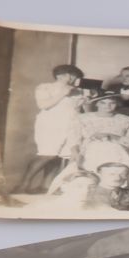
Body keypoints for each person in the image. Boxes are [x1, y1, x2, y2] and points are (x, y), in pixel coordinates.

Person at [21, 64, 86, 194]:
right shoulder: (45, 87)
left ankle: (46, 186)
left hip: (72, 125)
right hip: (51, 124)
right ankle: (23, 185)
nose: (74, 79)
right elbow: (43, 105)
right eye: (72, 75)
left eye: (76, 77)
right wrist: (63, 93)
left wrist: (87, 101)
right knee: (47, 154)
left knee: (60, 156)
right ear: (61, 75)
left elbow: (78, 111)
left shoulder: (78, 91)